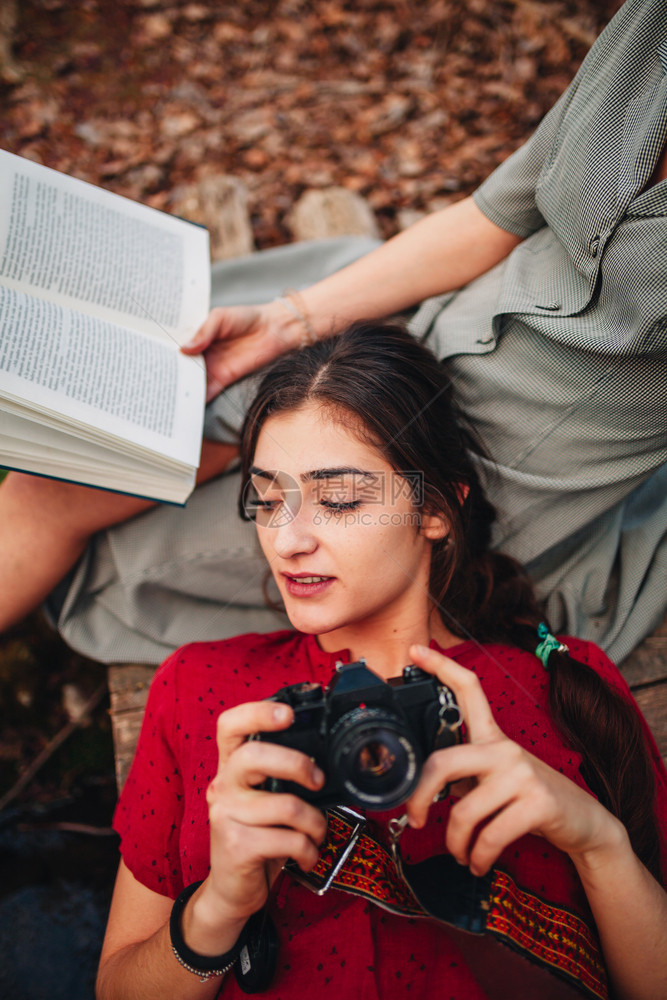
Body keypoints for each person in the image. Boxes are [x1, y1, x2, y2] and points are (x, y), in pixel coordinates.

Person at [1, 0, 666, 666]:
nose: (281, 533)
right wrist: (290, 320)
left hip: (477, 485)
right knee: (105, 443)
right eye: (263, 498)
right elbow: (496, 211)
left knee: (98, 545)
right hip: (410, 341)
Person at [97, 323, 667, 1000]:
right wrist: (219, 905)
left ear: (435, 508)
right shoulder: (204, 691)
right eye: (269, 499)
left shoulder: (558, 685)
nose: (287, 540)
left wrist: (595, 843)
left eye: (337, 500)